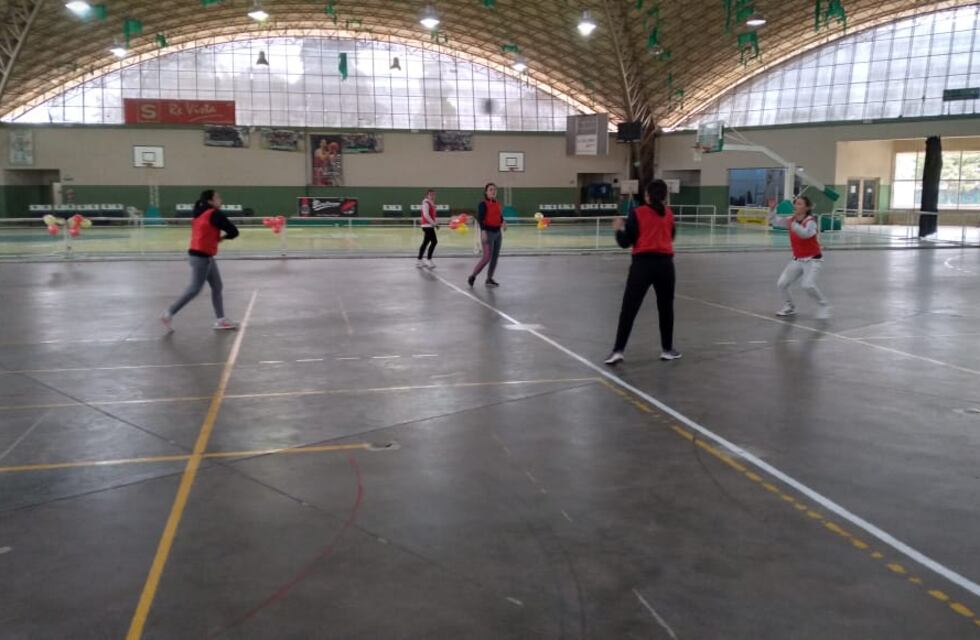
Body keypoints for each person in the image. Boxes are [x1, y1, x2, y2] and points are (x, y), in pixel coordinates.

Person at [605, 179, 681, 365]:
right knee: (666, 309)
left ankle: (618, 350)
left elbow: (625, 242)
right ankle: (667, 349)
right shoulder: (669, 214)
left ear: (647, 195)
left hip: (642, 265)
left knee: (629, 309)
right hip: (665, 266)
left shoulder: (637, 213)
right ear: (665, 196)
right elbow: (671, 236)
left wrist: (618, 229)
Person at [161, 190, 239, 331]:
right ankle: (168, 313)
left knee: (217, 286)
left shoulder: (199, 213)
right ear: (210, 201)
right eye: (218, 197)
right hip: (201, 257)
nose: (220, 200)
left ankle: (220, 320)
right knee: (194, 289)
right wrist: (222, 238)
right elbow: (234, 231)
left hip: (204, 255)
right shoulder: (214, 214)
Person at [767, 196, 831, 319]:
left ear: (807, 208)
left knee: (807, 285)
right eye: (795, 204)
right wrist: (772, 209)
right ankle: (790, 307)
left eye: (800, 204)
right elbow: (775, 221)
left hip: (813, 259)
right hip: (797, 259)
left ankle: (824, 305)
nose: (796, 206)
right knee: (782, 284)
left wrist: (794, 224)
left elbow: (806, 234)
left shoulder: (811, 221)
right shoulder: (791, 220)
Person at [468, 183, 506, 288]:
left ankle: (489, 278)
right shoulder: (483, 204)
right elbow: (480, 218)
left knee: (495, 257)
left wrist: (503, 221)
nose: (493, 191)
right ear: (486, 192)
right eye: (490, 190)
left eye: (494, 190)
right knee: (486, 257)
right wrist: (483, 231)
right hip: (488, 233)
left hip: (498, 233)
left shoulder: (498, 203)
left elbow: (499, 215)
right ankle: (473, 276)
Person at [416, 189, 439, 268]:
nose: (432, 196)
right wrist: (434, 224)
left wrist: (435, 223)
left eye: (433, 194)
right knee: (434, 241)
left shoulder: (431, 204)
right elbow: (426, 215)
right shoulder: (426, 203)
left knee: (425, 243)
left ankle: (419, 260)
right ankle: (428, 260)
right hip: (427, 226)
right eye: (431, 195)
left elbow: (432, 216)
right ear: (427, 195)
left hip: (429, 226)